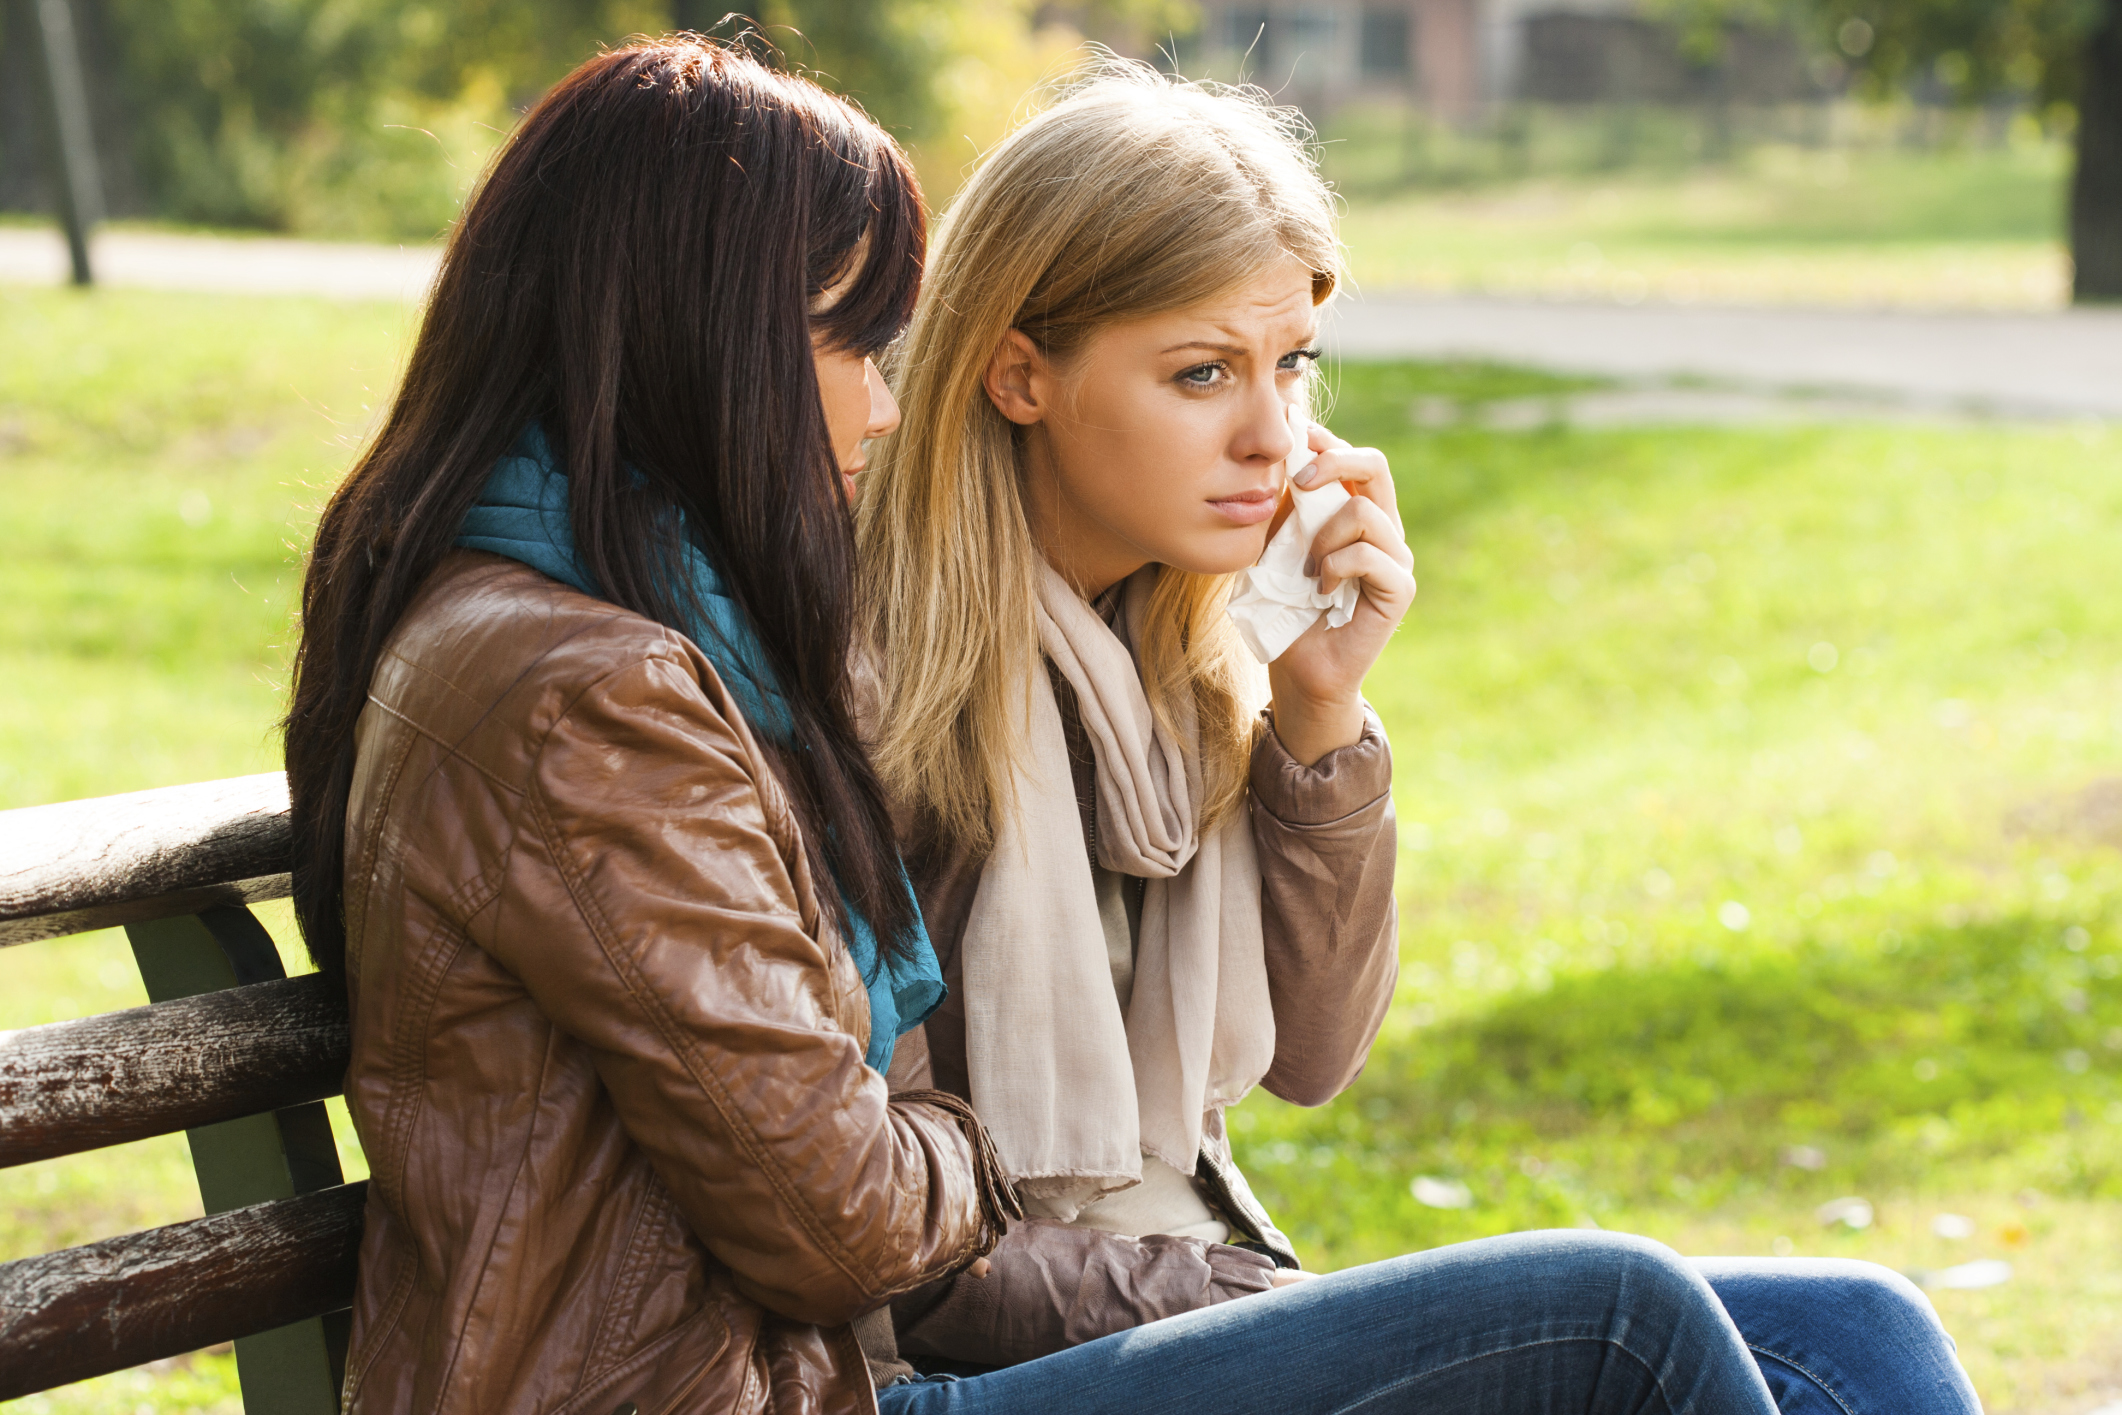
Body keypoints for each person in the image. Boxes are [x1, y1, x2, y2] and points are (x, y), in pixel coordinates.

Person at [855, 64, 1984, 1414]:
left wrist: (1320, 715)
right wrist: (1253, 1303)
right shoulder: (879, 693)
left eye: (1292, 367)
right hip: (936, 1373)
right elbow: (893, 1252)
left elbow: (1314, 1055)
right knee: (1614, 1311)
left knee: (1856, 1330)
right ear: (1017, 373)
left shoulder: (1171, 661)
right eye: (1201, 373)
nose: (1271, 437)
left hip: (1174, 1301)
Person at [282, 40, 1020, 1414]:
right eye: (849, 342)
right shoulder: (589, 699)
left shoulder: (552, 615)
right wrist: (965, 1154)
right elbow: (842, 1221)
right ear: (703, 334)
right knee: (1554, 1319)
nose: (883, 405)